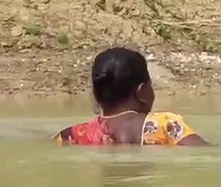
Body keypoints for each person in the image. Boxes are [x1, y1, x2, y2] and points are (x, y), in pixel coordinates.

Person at [54, 48, 211, 146]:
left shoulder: (72, 135)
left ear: (96, 94)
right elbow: (204, 152)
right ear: (142, 91)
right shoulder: (165, 125)